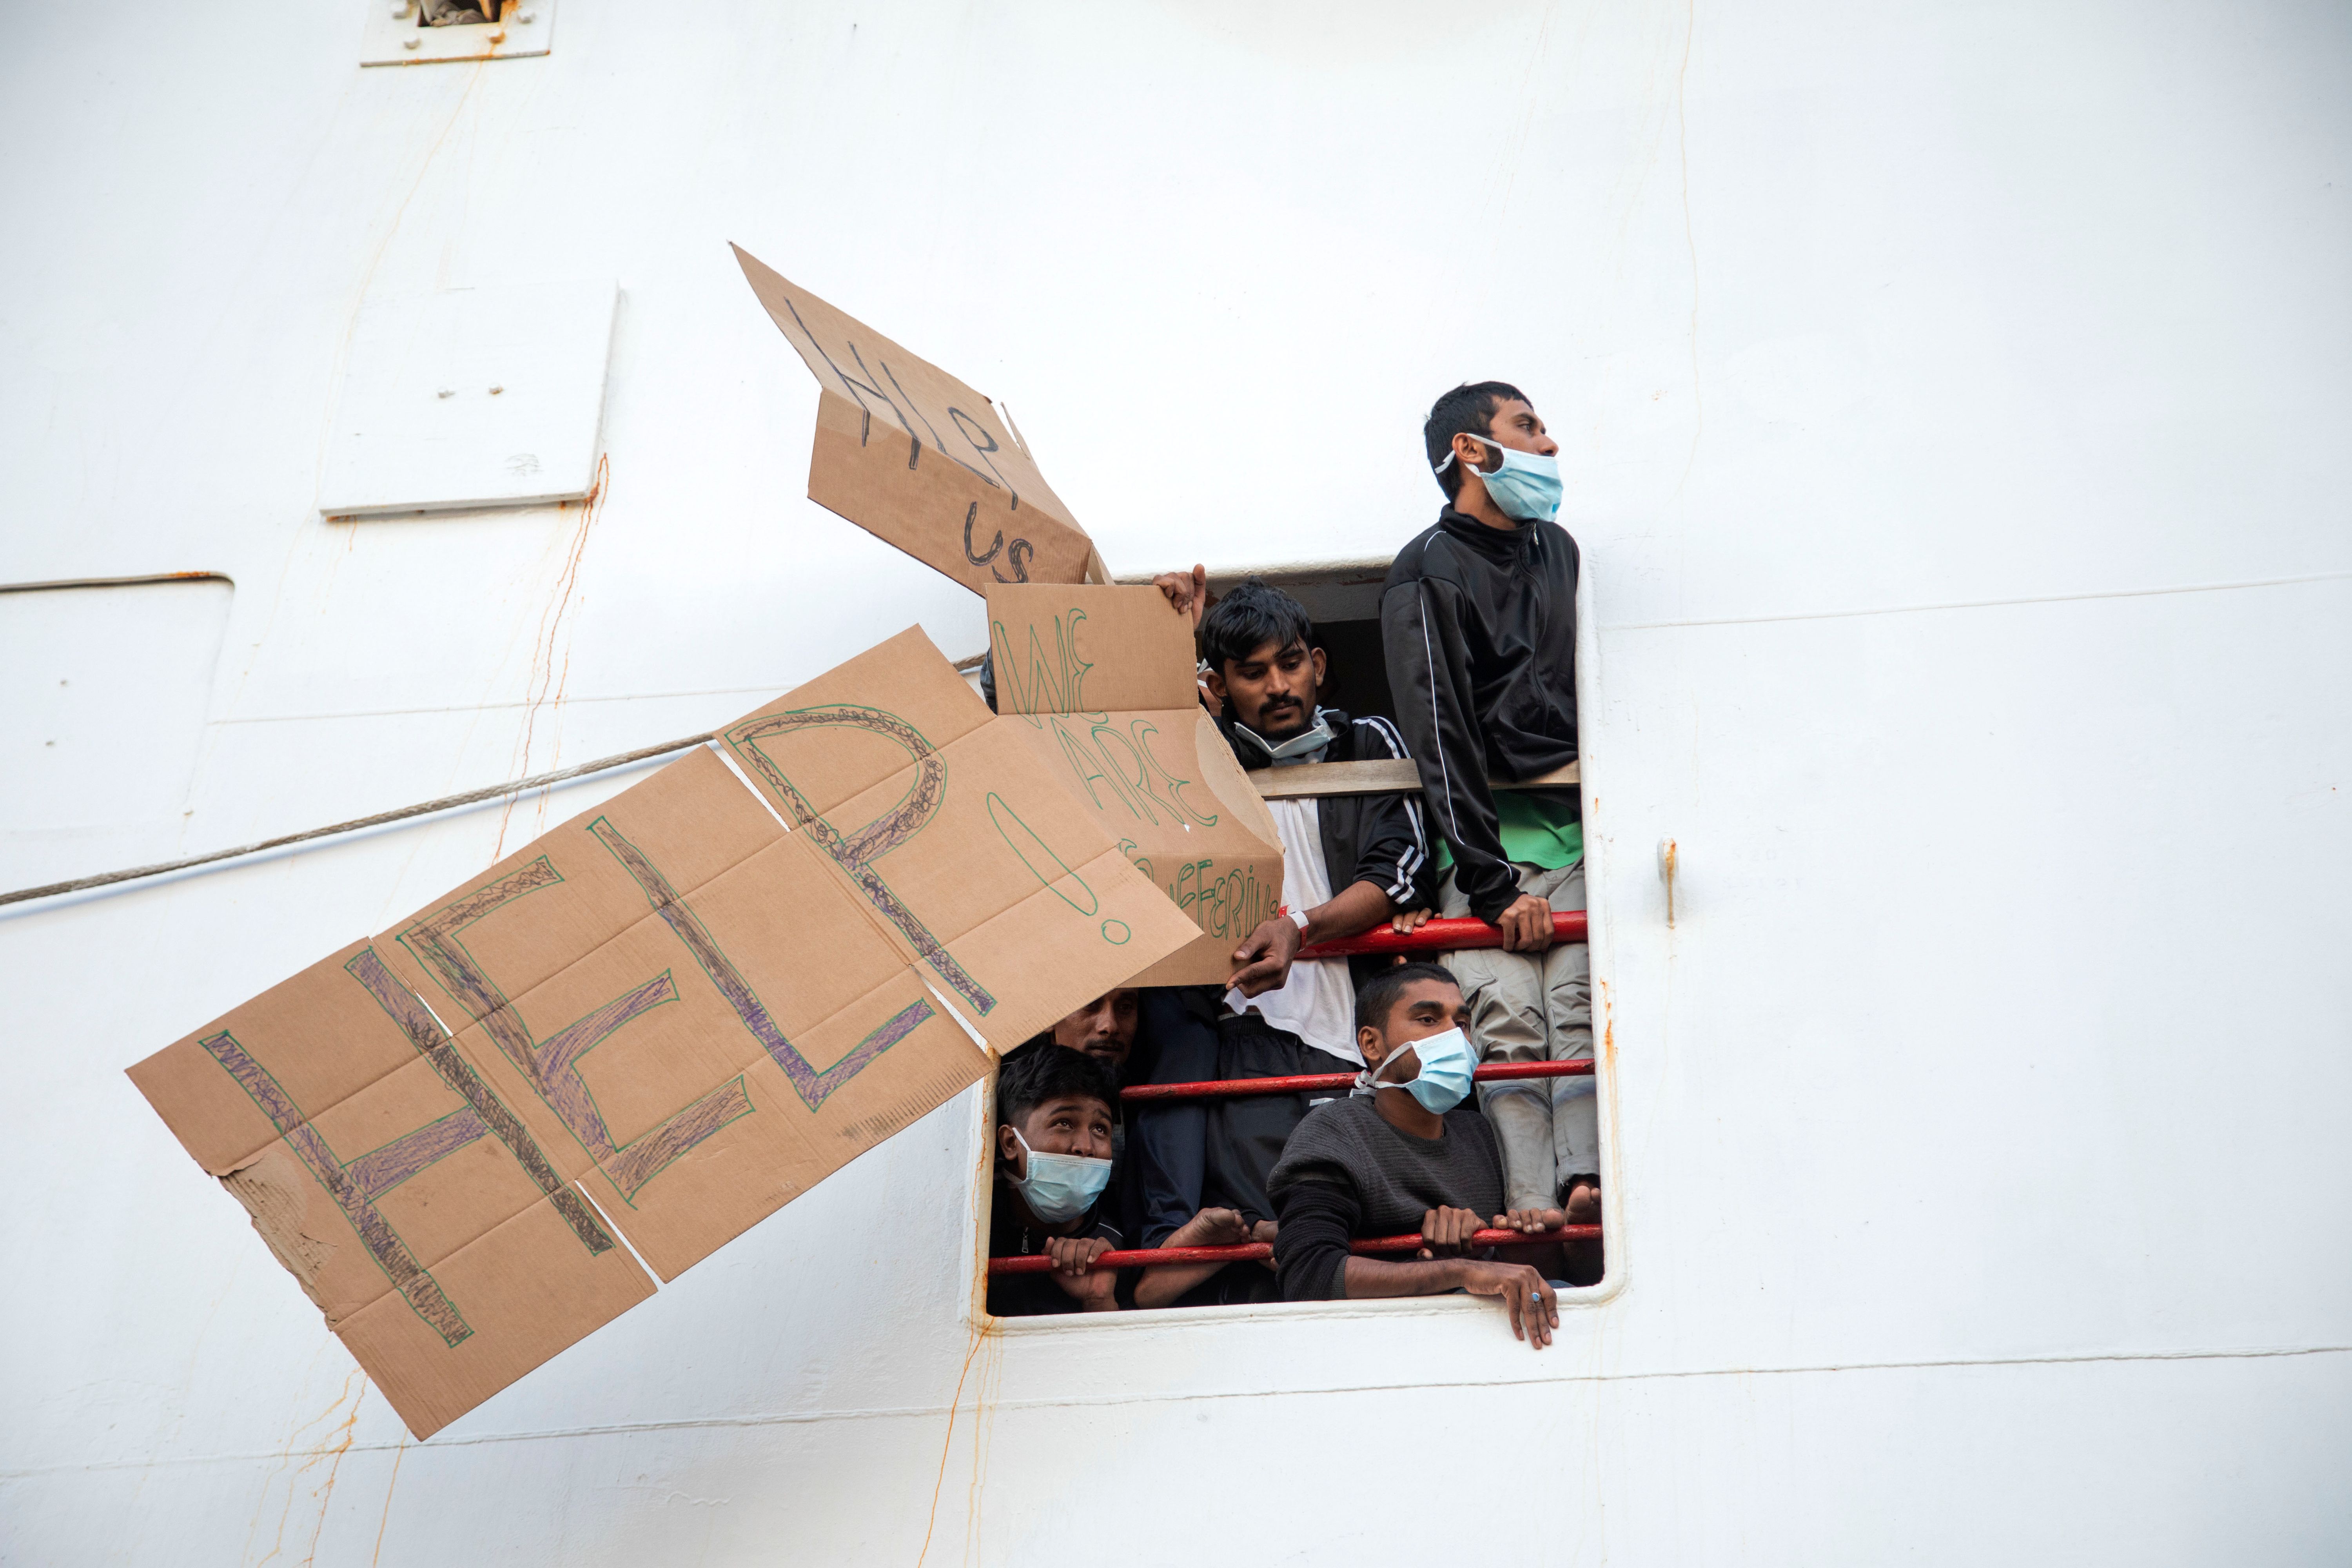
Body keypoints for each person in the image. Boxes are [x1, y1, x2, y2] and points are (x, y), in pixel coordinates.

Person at [1125, 575, 1436, 1256]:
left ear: (1317, 665)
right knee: (1265, 1230)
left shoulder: (1366, 741)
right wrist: (1173, 641)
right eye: (1252, 673)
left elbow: (1400, 867)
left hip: (1355, 1037)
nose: (1277, 687)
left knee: (1363, 1224)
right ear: (1220, 684)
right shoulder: (1202, 759)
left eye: (1290, 664)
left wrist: (1302, 929)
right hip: (1247, 1036)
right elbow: (1133, 757)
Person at [1380, 382, 1598, 1234]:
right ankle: (1530, 1207)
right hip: (1482, 857)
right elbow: (1439, 732)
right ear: (1472, 451)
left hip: (1577, 836)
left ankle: (1586, 1184)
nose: (1548, 445)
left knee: (1578, 1006)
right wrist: (1493, 881)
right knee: (1506, 1024)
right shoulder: (1425, 565)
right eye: (1528, 427)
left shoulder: (1561, 551)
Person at [1267, 964, 1562, 1347]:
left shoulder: (1481, 1133)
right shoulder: (1335, 1132)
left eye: (1462, 1023)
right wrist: (1461, 1269)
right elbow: (1309, 1275)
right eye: (1427, 1019)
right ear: (1372, 1045)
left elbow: (1535, 1278)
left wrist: (1520, 1237)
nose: (1454, 1038)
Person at [986, 1045, 1125, 1316]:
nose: (1086, 1146)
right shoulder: (975, 1229)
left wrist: (1097, 1300)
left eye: (1100, 1129)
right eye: (1064, 1123)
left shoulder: (1111, 1246)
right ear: (1010, 1143)